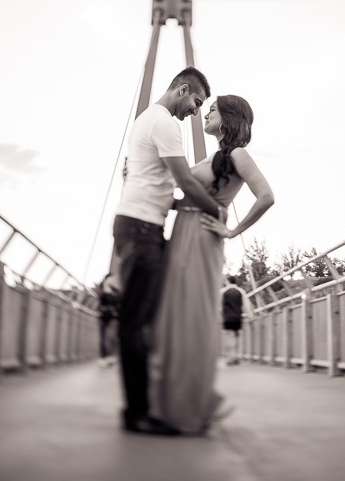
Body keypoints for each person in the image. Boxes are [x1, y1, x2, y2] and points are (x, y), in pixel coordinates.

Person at [148, 94, 274, 435]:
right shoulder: (213, 155)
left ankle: (189, 407)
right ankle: (179, 403)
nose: (206, 113)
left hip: (203, 238)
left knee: (190, 318)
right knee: (175, 316)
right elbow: (186, 198)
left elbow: (267, 196)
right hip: (183, 232)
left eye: (214, 109)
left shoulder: (237, 154)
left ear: (230, 118)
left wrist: (233, 231)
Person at [112, 66, 225, 435]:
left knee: (143, 320)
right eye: (196, 101)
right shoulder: (164, 124)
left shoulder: (148, 120)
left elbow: (164, 184)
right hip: (141, 227)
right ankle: (138, 414)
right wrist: (218, 213)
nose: (195, 111)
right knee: (136, 323)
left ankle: (146, 407)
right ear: (181, 89)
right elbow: (185, 182)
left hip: (142, 225)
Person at [220, 275, 254, 366]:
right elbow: (246, 306)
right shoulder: (241, 291)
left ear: (227, 281)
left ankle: (231, 357)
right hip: (238, 318)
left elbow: (218, 306)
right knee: (237, 337)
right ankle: (236, 356)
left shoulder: (223, 292)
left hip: (227, 318)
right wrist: (250, 316)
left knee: (228, 337)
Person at [98, 273, 121, 367]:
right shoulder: (102, 291)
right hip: (104, 316)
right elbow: (101, 303)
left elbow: (119, 302)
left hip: (113, 317)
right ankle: (104, 357)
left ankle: (110, 356)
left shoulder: (116, 292)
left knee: (110, 336)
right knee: (103, 337)